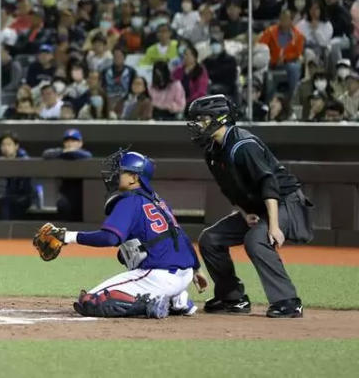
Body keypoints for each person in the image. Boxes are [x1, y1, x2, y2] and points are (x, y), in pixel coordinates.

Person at [33, 150, 204, 318]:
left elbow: (110, 238)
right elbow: (182, 236)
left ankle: (150, 304)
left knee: (89, 302)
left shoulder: (130, 200)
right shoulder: (158, 202)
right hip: (184, 274)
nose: (116, 175)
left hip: (157, 276)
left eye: (121, 171)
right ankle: (178, 300)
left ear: (134, 178)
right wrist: (196, 269)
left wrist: (67, 237)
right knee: (126, 252)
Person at [186, 95, 314, 318]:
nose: (197, 124)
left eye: (203, 119)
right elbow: (231, 189)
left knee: (256, 239)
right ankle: (232, 298)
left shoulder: (243, 145)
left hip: (285, 201)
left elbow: (269, 183)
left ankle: (288, 301)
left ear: (220, 118)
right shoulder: (213, 151)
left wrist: (273, 226)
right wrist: (245, 214)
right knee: (211, 238)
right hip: (259, 206)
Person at [42, 128, 93, 221]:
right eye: (67, 141)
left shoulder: (84, 154)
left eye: (73, 140)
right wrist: (64, 153)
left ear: (80, 143)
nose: (70, 143)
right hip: (66, 193)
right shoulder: (61, 152)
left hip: (83, 193)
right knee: (62, 204)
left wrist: (70, 153)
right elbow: (46, 154)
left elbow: (88, 156)